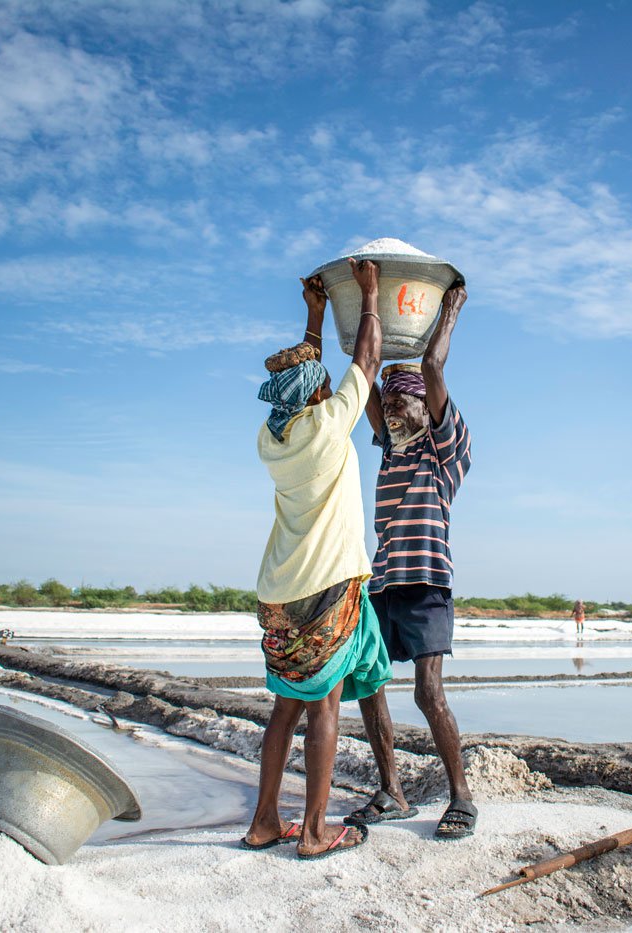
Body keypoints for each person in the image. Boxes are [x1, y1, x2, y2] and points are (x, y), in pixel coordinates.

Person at [243, 259, 389, 860]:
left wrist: (315, 312)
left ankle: (262, 823)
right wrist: (372, 293)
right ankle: (313, 831)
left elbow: (307, 375)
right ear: (319, 395)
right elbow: (370, 359)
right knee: (325, 704)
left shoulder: (271, 438)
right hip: (326, 585)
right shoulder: (332, 425)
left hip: (278, 589)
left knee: (286, 708)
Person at [348, 275, 477, 841]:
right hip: (382, 588)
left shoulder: (445, 449)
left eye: (403, 404)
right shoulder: (389, 447)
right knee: (370, 685)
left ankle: (462, 797)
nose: (393, 412)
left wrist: (448, 311)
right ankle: (392, 790)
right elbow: (366, 378)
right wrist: (361, 305)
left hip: (427, 585)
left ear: (425, 408)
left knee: (428, 692)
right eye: (389, 406)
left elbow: (432, 369)